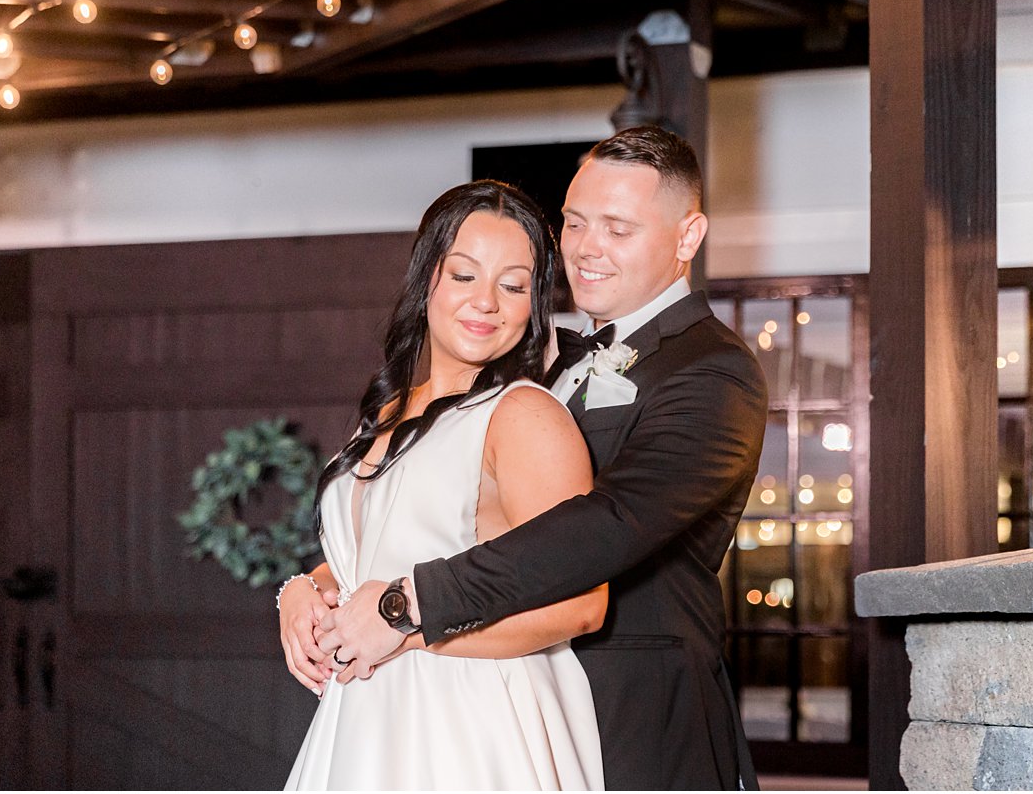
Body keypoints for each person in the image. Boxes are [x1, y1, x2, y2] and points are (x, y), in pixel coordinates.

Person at [302, 126, 769, 791]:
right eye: (575, 222)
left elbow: (606, 523)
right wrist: (308, 588)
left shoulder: (714, 372)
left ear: (688, 237)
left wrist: (409, 606)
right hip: (500, 699)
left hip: (640, 717)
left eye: (617, 227)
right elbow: (448, 521)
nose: (585, 247)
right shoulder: (543, 375)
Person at [282, 180, 607, 790]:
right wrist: (303, 591)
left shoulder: (523, 415)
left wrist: (408, 630)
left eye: (512, 286)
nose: (487, 302)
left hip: (474, 725)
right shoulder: (386, 412)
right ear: (426, 277)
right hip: (367, 719)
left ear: (533, 304)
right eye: (464, 275)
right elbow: (378, 552)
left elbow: (582, 604)